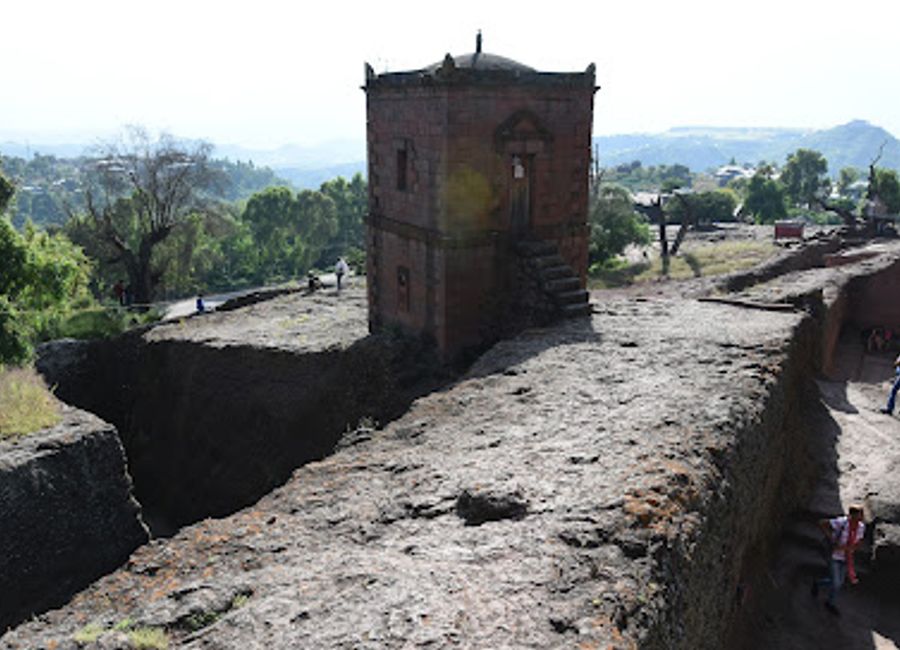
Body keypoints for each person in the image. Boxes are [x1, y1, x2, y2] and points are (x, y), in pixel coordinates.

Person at [812, 505, 866, 615]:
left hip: (847, 557)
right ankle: (830, 603)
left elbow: (858, 541)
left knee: (838, 582)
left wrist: (851, 548)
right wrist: (832, 539)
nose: (861, 517)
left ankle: (818, 584)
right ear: (852, 515)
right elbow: (822, 523)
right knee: (836, 583)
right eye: (859, 514)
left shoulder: (860, 527)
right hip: (835, 556)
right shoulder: (842, 523)